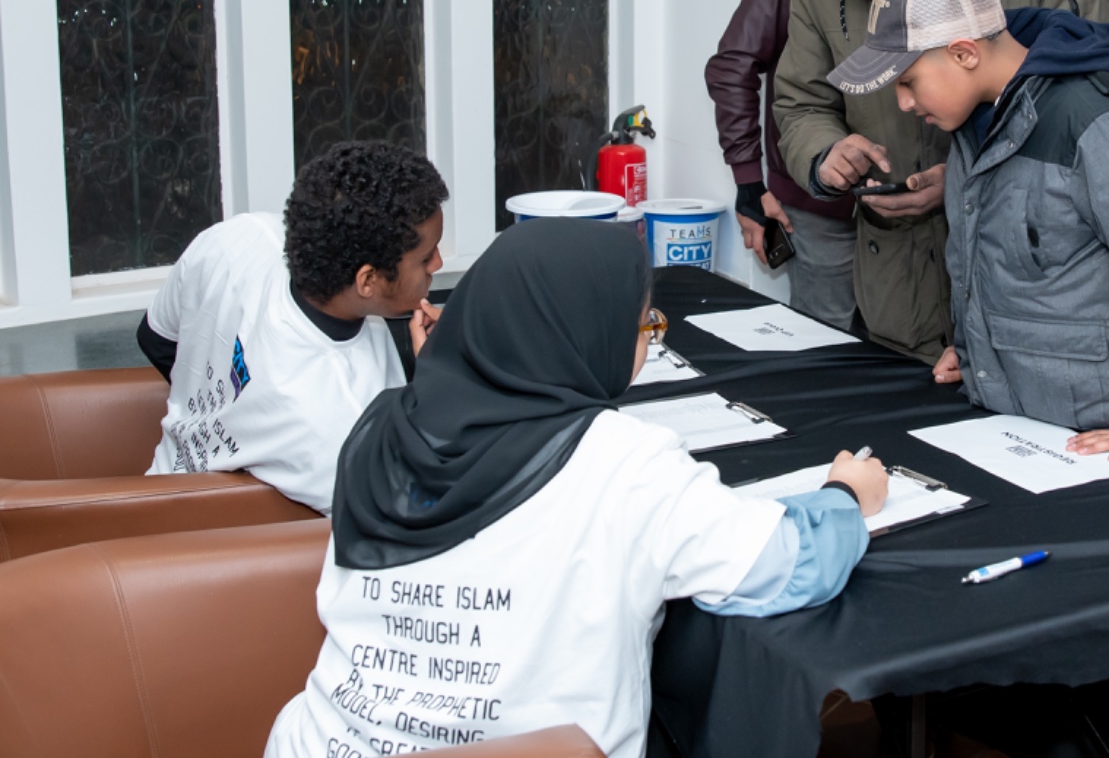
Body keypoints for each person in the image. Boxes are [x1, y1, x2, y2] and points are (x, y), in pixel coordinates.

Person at [263, 219, 888, 758]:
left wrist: (443, 370)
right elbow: (788, 566)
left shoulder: (377, 427)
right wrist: (844, 497)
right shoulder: (626, 464)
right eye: (645, 324)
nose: (646, 337)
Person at [827, 0, 1109, 460]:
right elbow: (1010, 275)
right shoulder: (971, 127)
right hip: (1020, 428)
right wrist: (980, 354)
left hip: (1100, 440)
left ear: (964, 53)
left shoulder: (1091, 124)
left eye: (908, 82)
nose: (903, 103)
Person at [774, 0, 1109, 362]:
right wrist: (825, 156)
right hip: (896, 296)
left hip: (1026, 294)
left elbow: (1091, 93)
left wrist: (963, 178)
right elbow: (801, 102)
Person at [139, 141, 449, 514]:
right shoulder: (340, 425)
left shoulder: (241, 237)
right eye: (425, 257)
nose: (439, 263)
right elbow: (431, 513)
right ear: (367, 280)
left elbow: (154, 337)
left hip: (159, 491)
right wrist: (443, 384)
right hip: (228, 555)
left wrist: (241, 413)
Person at [704, 0, 858, 330]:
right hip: (819, 209)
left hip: (911, 206)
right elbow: (733, 65)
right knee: (826, 346)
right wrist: (750, 184)